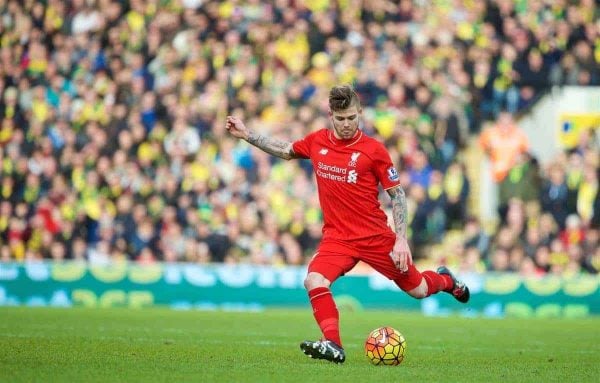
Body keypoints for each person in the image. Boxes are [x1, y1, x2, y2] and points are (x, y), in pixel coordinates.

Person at [225, 85, 469, 364]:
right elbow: (286, 149)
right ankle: (333, 344)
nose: (346, 124)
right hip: (337, 239)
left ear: (360, 113)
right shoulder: (318, 142)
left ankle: (449, 281)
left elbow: (397, 194)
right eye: (340, 119)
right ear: (330, 115)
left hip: (376, 238)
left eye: (351, 118)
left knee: (419, 290)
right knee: (313, 280)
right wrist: (248, 135)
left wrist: (401, 239)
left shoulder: (374, 150)